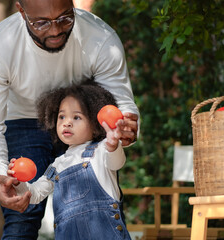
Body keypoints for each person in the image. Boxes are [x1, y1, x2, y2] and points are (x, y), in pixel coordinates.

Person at [0, 0, 139, 238]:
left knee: (96, 211)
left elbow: (119, 101)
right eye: (41, 23)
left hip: (82, 121)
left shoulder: (100, 38)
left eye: (65, 18)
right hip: (23, 120)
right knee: (22, 218)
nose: (55, 30)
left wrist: (125, 128)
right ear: (21, 10)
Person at [7, 82, 131, 239]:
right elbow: (36, 193)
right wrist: (19, 184)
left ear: (95, 125)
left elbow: (116, 163)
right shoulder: (58, 164)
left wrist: (113, 145)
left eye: (77, 117)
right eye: (62, 116)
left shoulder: (101, 150)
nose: (67, 122)